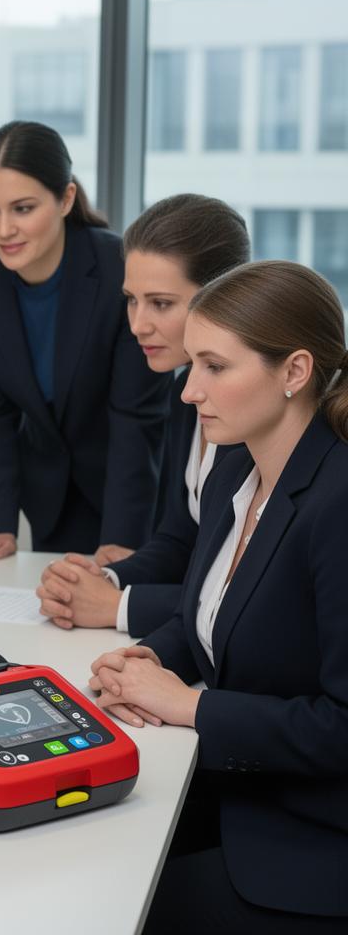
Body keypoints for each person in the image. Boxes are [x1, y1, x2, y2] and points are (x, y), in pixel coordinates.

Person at [88, 260, 348, 930]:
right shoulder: (238, 462)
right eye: (191, 366)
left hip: (310, 835)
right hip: (230, 787)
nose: (188, 392)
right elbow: (201, 616)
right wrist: (145, 658)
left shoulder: (337, 502)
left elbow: (343, 726)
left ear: (294, 372)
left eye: (214, 367)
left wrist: (190, 706)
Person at [0, 120, 169, 561]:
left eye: (23, 209)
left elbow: (136, 416)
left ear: (66, 198)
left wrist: (123, 537)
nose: (3, 229)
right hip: (52, 498)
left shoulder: (119, 267)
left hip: (136, 494)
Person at [36, 194, 250, 634]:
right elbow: (179, 540)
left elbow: (245, 591)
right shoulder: (181, 396)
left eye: (161, 303)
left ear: (223, 294)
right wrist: (106, 579)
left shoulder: (254, 409)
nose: (137, 324)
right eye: (131, 300)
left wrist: (118, 607)